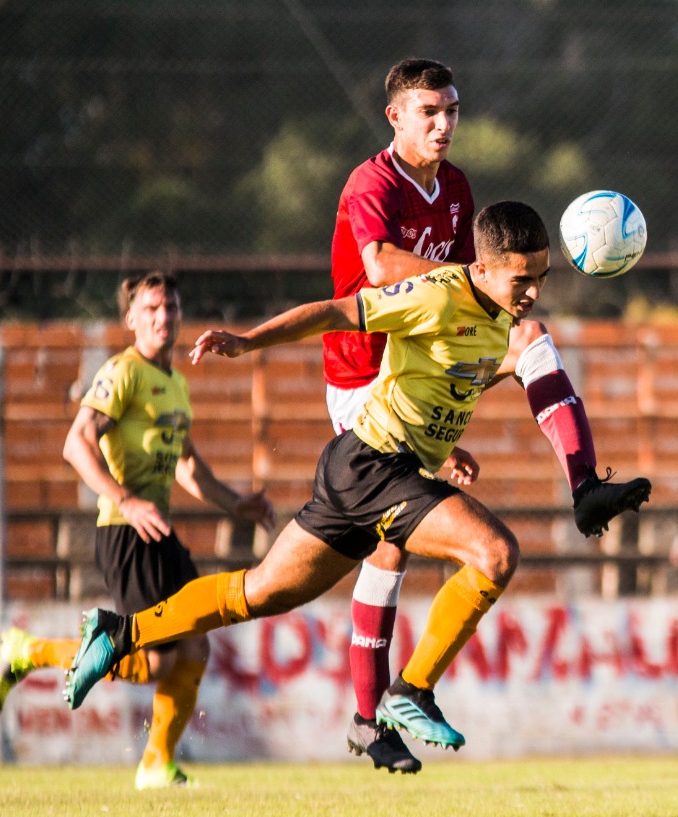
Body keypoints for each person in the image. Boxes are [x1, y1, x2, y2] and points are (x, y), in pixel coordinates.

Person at [63, 202, 643, 767]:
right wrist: (249, 341)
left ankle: (118, 631)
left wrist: (457, 428)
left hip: (364, 472)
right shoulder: (437, 293)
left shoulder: (502, 321)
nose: (533, 291)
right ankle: (410, 692)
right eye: (523, 278)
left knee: (259, 592)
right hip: (373, 465)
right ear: (483, 267)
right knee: (495, 553)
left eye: (541, 277)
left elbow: (457, 379)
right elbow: (336, 312)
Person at [326, 58, 651, 774]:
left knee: (532, 339)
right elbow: (379, 266)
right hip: (364, 378)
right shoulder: (371, 184)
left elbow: (475, 300)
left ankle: (585, 484)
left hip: (428, 365)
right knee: (382, 553)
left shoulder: (458, 188)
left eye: (451, 111)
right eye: (429, 112)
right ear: (396, 118)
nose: (444, 124)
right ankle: (365, 714)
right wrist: (466, 284)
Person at [0, 271, 275, 790]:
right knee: (150, 660)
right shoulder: (122, 373)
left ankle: (156, 763)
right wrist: (125, 498)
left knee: (195, 646)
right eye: (152, 309)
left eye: (172, 308)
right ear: (131, 320)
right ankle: (28, 652)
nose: (165, 317)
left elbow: (187, 466)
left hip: (156, 529)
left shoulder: (177, 384)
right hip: (125, 529)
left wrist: (238, 504)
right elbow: (77, 444)